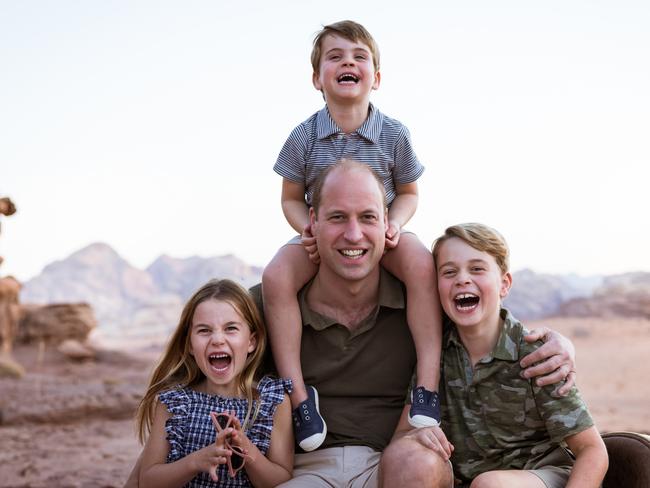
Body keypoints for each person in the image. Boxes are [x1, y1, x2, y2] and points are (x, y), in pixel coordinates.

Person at [124, 161, 578, 488]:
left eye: (367, 218)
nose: (354, 235)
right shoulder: (266, 308)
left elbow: (485, 319)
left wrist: (560, 343)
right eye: (338, 218)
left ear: (388, 226)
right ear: (312, 225)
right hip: (300, 469)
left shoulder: (421, 302)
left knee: (420, 463)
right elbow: (192, 380)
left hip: (389, 463)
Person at [262, 20, 443, 453]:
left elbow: (410, 192)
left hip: (380, 232)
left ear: (375, 78)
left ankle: (428, 385)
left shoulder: (394, 134)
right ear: (317, 78)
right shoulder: (304, 136)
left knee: (421, 263)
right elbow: (289, 198)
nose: (348, 62)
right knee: (275, 277)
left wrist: (393, 223)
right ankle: (300, 398)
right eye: (336, 57)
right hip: (324, 235)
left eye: (359, 56)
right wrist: (304, 228)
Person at [425, 223, 608, 487]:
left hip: (544, 475)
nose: (462, 279)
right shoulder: (434, 352)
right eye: (449, 271)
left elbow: (592, 450)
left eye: (477, 269)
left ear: (504, 284)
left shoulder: (537, 354)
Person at [135, 279, 294, 488]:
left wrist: (245, 449)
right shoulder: (175, 402)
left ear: (251, 342)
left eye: (230, 328)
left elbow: (280, 481)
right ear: (190, 345)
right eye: (204, 330)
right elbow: (148, 481)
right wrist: (195, 461)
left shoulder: (272, 402)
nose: (217, 339)